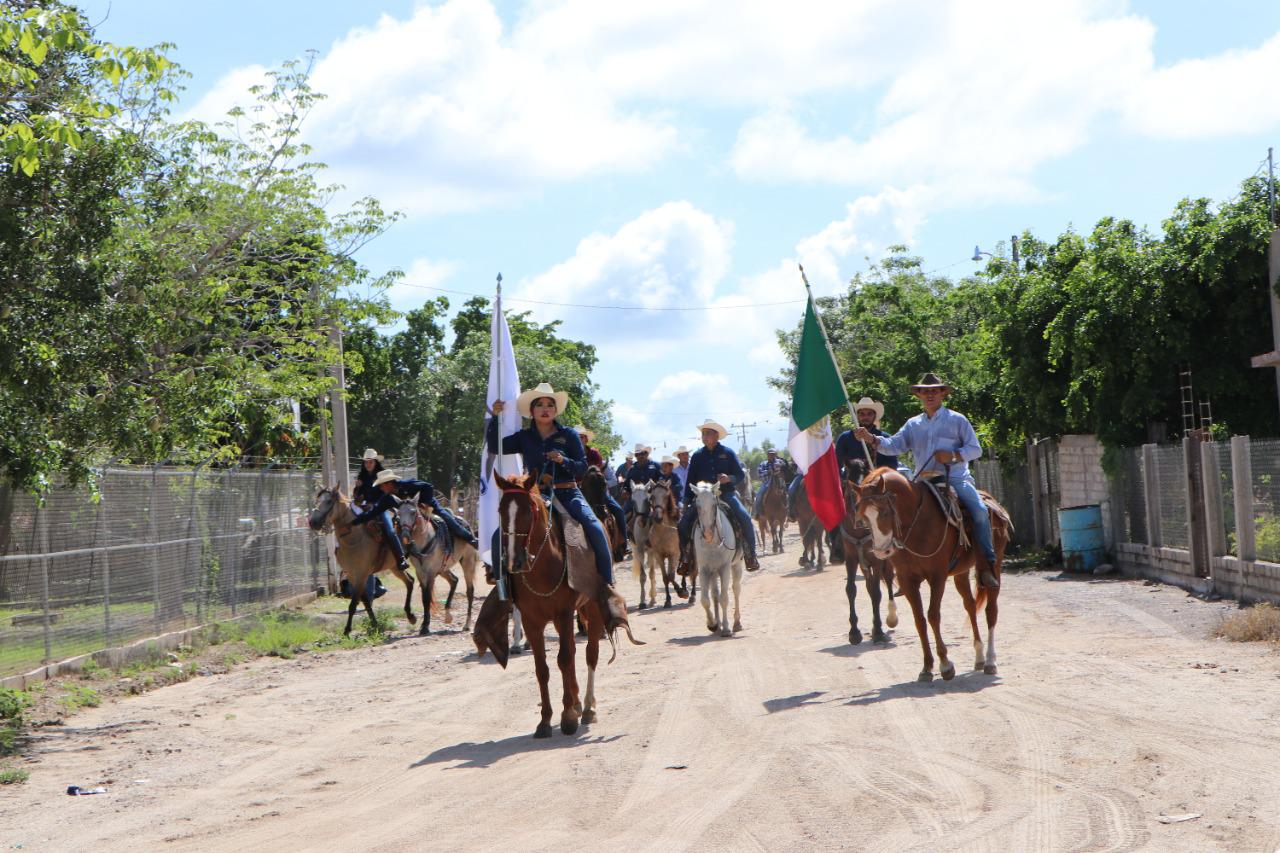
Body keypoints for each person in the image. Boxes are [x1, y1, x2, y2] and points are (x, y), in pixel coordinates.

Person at [487, 382, 626, 630]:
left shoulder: (569, 435)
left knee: (594, 527)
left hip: (568, 492)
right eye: (539, 404)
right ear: (531, 411)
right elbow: (495, 446)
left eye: (549, 405)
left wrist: (563, 460)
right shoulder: (524, 438)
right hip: (536, 496)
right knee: (501, 534)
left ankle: (606, 587)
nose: (545, 409)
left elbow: (583, 467)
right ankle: (503, 589)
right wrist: (494, 417)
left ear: (555, 410)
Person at [853, 373, 1000, 589]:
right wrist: (872, 439)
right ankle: (906, 570)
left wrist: (953, 456)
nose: (929, 394)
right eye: (925, 391)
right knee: (896, 513)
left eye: (934, 390)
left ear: (942, 393)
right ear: (919, 395)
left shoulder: (957, 420)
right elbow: (895, 444)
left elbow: (975, 449)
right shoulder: (913, 424)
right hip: (922, 481)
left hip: (955, 479)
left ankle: (986, 564)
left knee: (979, 510)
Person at [677, 419, 760, 573]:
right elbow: (690, 480)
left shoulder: (727, 453)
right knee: (683, 524)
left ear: (716, 435)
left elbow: (740, 475)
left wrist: (729, 478)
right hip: (703, 498)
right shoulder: (697, 456)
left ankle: (750, 555)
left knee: (745, 518)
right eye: (703, 434)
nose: (704, 436)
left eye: (707, 433)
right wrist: (687, 501)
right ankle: (686, 558)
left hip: (726, 494)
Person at [389, 473, 480, 555]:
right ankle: (403, 554)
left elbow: (428, 486)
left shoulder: (407, 484)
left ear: (389, 483)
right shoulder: (390, 494)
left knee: (448, 519)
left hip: (430, 507)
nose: (382, 488)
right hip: (411, 513)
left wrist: (427, 503)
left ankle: (470, 539)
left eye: (383, 485)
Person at [349, 468, 410, 571]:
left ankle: (401, 558)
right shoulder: (362, 477)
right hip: (365, 508)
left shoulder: (381, 476)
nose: (368, 464)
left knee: (390, 531)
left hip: (381, 508)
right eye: (366, 461)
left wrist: (374, 504)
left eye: (370, 461)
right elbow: (357, 496)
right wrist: (358, 488)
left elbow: (385, 497)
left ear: (374, 461)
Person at [577, 425, 627, 546]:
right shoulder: (571, 455)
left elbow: (599, 471)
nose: (580, 439)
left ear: (586, 440)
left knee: (619, 511)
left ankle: (625, 540)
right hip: (579, 490)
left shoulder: (594, 453)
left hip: (597, 489)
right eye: (577, 437)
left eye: (582, 437)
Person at [753, 448, 787, 518]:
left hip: (780, 483)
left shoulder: (780, 462)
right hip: (766, 483)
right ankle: (759, 513)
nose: (771, 456)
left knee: (788, 493)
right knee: (759, 495)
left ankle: (788, 510)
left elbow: (785, 470)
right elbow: (759, 474)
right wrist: (768, 472)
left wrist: (779, 471)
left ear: (775, 455)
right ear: (767, 455)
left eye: (773, 454)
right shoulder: (763, 464)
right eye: (770, 454)